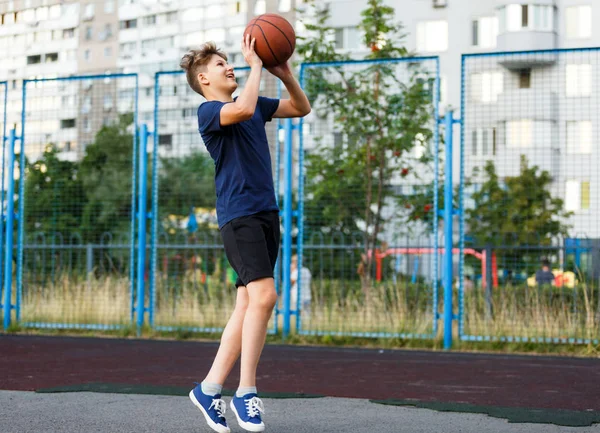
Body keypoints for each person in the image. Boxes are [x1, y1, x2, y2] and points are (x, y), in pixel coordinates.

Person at [180, 36, 310, 433]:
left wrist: (285, 75)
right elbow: (246, 106)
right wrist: (257, 65)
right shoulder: (210, 112)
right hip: (239, 216)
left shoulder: (252, 107)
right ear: (204, 78)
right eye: (221, 65)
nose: (230, 67)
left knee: (246, 306)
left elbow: (301, 108)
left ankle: (209, 388)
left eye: (229, 62)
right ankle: (246, 391)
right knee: (266, 296)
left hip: (265, 213)